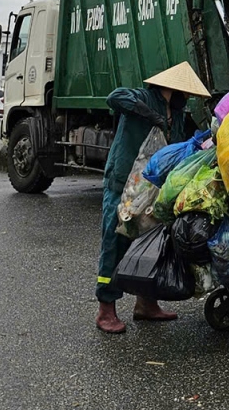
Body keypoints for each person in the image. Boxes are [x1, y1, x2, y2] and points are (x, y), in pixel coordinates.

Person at [95, 62, 210, 334]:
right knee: (116, 242)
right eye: (186, 91)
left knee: (151, 242)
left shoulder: (179, 113)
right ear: (172, 86)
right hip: (125, 182)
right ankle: (105, 309)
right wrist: (151, 116)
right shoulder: (143, 97)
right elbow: (115, 98)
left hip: (153, 187)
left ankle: (146, 304)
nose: (188, 97)